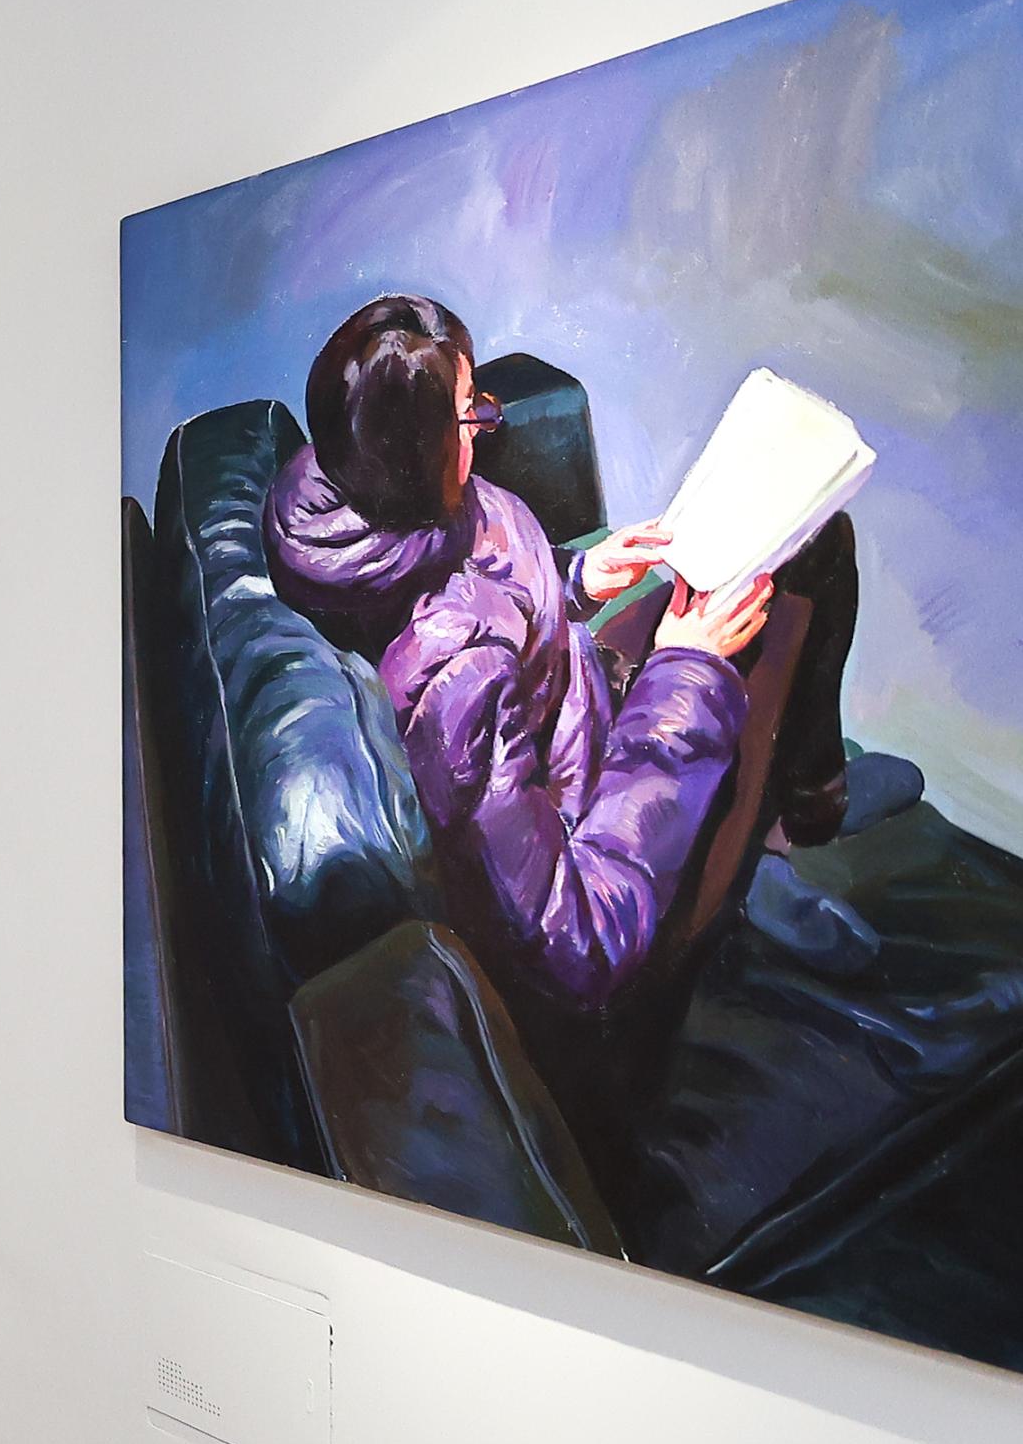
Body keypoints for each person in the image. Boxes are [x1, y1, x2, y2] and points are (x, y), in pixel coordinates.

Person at [261, 294, 874, 1042]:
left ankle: (789, 809)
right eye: (469, 413)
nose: (486, 422)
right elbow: (582, 937)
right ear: (419, 447)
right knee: (813, 551)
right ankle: (782, 831)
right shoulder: (456, 686)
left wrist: (579, 577)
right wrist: (685, 673)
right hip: (625, 864)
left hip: (583, 725)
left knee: (778, 538)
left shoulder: (360, 501)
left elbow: (476, 585)